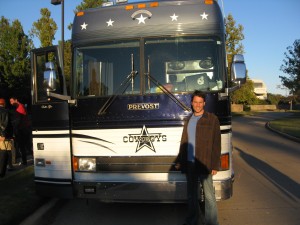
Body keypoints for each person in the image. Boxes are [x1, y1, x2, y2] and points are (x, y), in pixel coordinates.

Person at [175, 90, 221, 225]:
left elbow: (216, 143)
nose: (198, 105)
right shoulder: (188, 119)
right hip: (190, 164)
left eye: (200, 102)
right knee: (192, 196)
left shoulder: (212, 119)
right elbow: (184, 141)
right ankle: (192, 220)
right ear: (192, 103)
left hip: (204, 163)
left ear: (204, 103)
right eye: (195, 102)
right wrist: (180, 160)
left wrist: (214, 165)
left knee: (209, 197)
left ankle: (212, 223)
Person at [9, 97, 31, 166]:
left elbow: (19, 120)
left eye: (12, 101)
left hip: (23, 129)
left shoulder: (20, 107)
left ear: (16, 100)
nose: (11, 103)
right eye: (10, 102)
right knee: (27, 146)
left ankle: (24, 162)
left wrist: (14, 127)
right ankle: (27, 160)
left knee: (22, 146)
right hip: (25, 129)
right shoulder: (20, 106)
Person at [0, 98, 14, 174]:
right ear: (4, 104)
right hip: (4, 136)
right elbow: (4, 124)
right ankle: (3, 170)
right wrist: (3, 135)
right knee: (6, 152)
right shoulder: (4, 112)